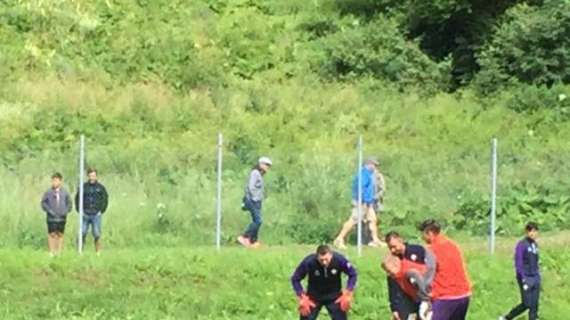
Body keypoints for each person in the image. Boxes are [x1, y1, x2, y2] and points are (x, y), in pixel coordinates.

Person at [419, 219, 471, 320]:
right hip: (464, 295)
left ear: (429, 233)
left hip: (445, 296)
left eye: (423, 234)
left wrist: (424, 295)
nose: (422, 238)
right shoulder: (452, 245)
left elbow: (429, 274)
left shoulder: (432, 249)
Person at [291, 245, 358, 320]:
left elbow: (353, 274)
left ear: (331, 255)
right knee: (305, 316)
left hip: (334, 297)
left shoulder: (339, 259)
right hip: (313, 297)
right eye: (321, 260)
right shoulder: (309, 261)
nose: (324, 262)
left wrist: (348, 292)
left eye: (326, 259)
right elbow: (295, 278)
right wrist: (301, 296)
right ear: (317, 257)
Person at [385, 231, 436, 320]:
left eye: (394, 246)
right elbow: (392, 286)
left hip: (424, 295)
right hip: (406, 298)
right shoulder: (393, 261)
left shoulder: (417, 250)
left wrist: (425, 297)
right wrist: (394, 308)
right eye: (390, 248)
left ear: (400, 240)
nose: (393, 250)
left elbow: (427, 272)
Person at [334, 158, 382, 249]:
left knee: (372, 220)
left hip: (367, 202)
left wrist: (369, 203)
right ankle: (339, 239)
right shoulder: (364, 174)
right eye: (374, 165)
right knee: (354, 220)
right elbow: (361, 189)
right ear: (368, 164)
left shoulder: (369, 174)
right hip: (362, 202)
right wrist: (362, 202)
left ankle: (375, 240)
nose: (375, 167)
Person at [499, 222, 541, 320]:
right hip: (526, 277)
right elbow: (518, 263)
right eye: (530, 231)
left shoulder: (535, 245)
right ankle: (508, 317)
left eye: (534, 231)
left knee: (534, 305)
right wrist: (523, 278)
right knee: (527, 303)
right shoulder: (522, 244)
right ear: (526, 232)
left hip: (535, 278)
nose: (532, 233)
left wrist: (538, 276)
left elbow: (536, 261)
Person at [382, 255, 431, 320]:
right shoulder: (395, 276)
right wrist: (395, 308)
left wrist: (426, 302)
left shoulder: (409, 272)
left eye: (389, 270)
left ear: (396, 265)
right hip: (415, 299)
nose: (388, 274)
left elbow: (427, 286)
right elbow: (393, 292)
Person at [237, 157, 272, 248]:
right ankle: (244, 237)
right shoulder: (255, 173)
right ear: (260, 164)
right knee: (258, 221)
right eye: (266, 164)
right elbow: (251, 187)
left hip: (256, 201)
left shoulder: (259, 175)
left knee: (256, 220)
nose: (267, 167)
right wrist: (255, 198)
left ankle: (253, 241)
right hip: (252, 200)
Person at [75, 168, 109, 254]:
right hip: (85, 214)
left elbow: (105, 199)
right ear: (88, 176)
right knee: (82, 232)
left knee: (97, 233)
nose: (92, 177)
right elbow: (77, 199)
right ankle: (80, 251)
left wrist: (101, 210)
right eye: (90, 175)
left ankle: (98, 252)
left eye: (93, 175)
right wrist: (80, 210)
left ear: (96, 176)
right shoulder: (83, 187)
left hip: (96, 214)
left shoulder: (101, 188)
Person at [40, 172, 72, 256]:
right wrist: (49, 210)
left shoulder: (65, 192)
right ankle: (51, 252)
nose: (54, 182)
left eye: (56, 180)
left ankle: (59, 252)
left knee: (60, 234)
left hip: (62, 217)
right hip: (51, 217)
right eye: (53, 180)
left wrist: (65, 211)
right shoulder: (48, 192)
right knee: (52, 234)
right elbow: (43, 203)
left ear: (60, 181)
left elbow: (69, 203)